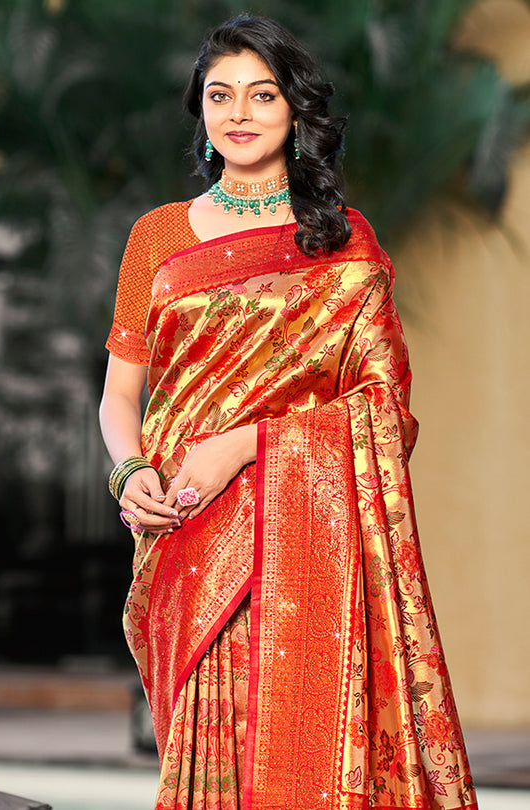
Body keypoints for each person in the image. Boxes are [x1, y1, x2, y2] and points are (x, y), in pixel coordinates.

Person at [99, 15, 478, 810]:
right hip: (185, 530)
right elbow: (120, 396)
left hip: (302, 546)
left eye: (262, 95)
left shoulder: (344, 245)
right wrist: (129, 470)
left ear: (296, 111)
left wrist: (247, 445)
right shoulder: (157, 238)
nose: (238, 113)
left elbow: (385, 408)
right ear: (200, 111)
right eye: (220, 95)